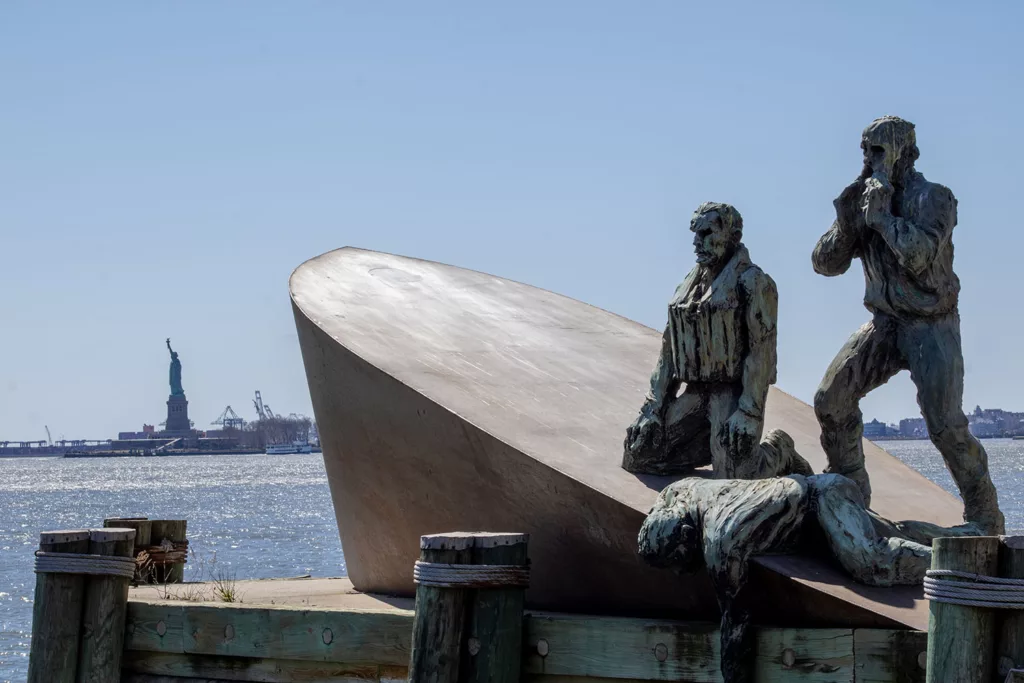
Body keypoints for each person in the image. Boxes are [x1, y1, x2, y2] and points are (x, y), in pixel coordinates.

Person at [811, 116, 1003, 534]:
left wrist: (881, 220)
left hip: (932, 326)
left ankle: (986, 515)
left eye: (877, 150)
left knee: (945, 425)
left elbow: (919, 259)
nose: (868, 159)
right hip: (884, 324)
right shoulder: (863, 202)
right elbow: (824, 265)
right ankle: (850, 495)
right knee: (831, 400)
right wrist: (848, 223)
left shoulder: (935, 198)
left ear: (906, 152)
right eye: (865, 151)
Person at [623, 202, 808, 479]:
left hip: (731, 393)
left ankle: (779, 450)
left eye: (707, 233)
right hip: (696, 393)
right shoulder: (688, 286)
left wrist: (749, 412)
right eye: (696, 235)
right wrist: (652, 408)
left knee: (735, 477)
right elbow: (669, 350)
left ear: (732, 237)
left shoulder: (753, 282)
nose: (697, 243)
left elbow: (762, 351)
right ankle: (715, 447)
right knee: (639, 452)